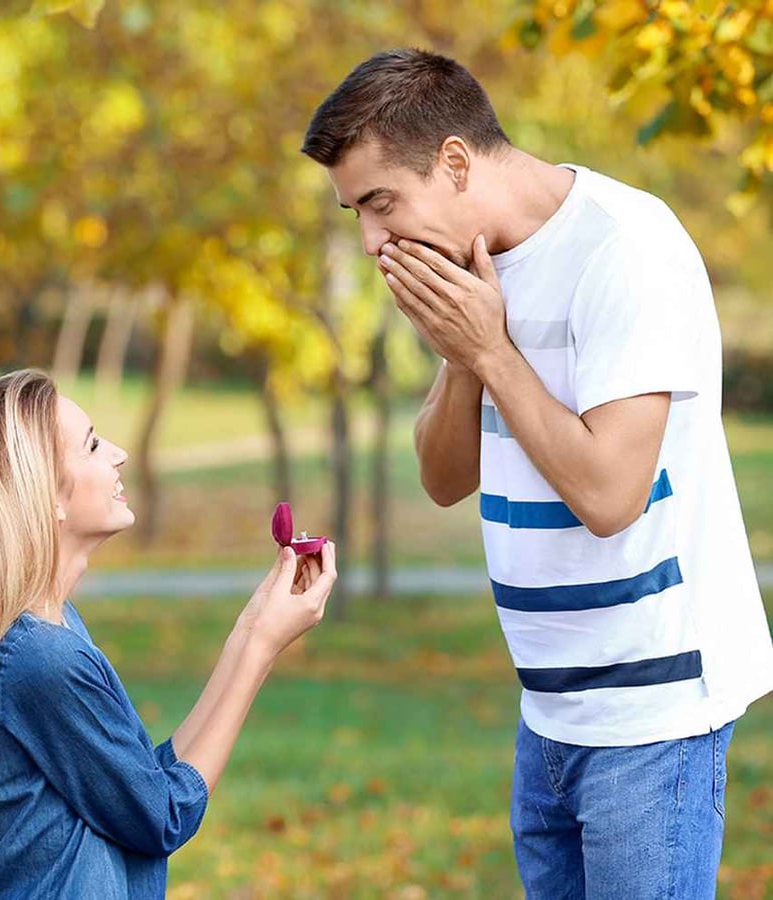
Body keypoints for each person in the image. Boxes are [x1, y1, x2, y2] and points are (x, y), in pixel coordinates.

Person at [302, 48, 773, 899]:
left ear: (452, 161)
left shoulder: (624, 250)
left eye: (379, 203)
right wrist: (463, 357)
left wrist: (490, 348)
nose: (372, 241)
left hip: (652, 716)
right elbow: (445, 478)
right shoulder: (471, 271)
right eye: (355, 214)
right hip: (548, 715)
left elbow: (608, 496)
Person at [0, 369, 337, 899]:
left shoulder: (44, 632)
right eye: (90, 445)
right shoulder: (41, 659)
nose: (119, 452)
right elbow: (162, 816)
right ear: (46, 496)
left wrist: (251, 632)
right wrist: (261, 650)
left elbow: (139, 788)